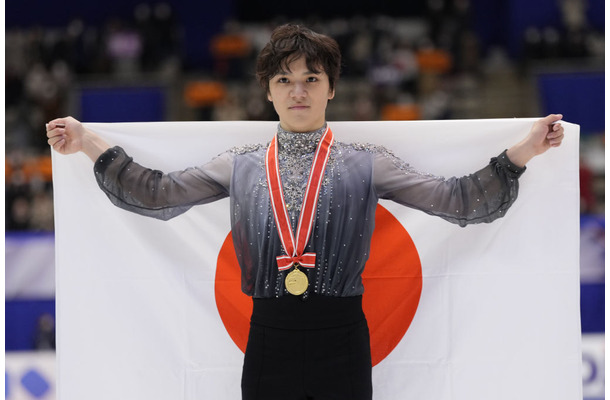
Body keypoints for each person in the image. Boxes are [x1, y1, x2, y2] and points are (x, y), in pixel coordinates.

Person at [46, 24, 565, 400]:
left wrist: (524, 152)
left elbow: (456, 200)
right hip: (267, 340)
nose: (298, 91)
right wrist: (90, 142)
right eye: (284, 81)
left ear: (331, 89)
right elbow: (156, 195)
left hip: (343, 339)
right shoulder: (241, 165)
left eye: (311, 79)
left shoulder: (367, 164)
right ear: (268, 92)